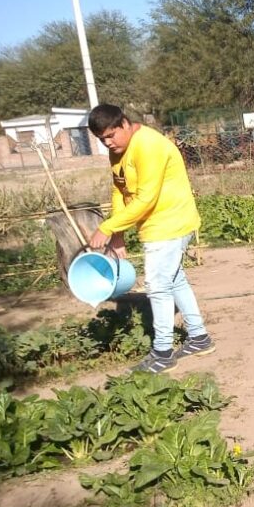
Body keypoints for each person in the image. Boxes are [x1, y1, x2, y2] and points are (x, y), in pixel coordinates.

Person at [86, 104, 214, 373]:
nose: (108, 143)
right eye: (101, 140)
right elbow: (120, 192)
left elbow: (146, 198)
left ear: (124, 123)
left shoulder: (148, 145)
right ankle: (199, 338)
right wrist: (118, 235)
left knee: (157, 286)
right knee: (174, 280)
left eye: (111, 135)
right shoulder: (118, 152)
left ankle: (163, 353)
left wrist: (107, 228)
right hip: (156, 225)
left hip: (170, 223)